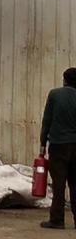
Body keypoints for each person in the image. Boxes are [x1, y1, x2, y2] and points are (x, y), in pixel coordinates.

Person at [39, 68, 76, 229]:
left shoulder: (55, 94)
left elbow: (47, 120)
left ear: (64, 80)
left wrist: (42, 143)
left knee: (59, 184)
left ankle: (57, 220)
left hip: (58, 145)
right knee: (75, 184)